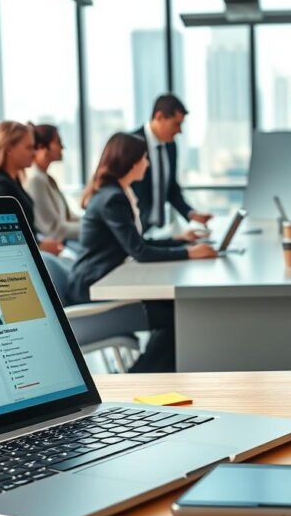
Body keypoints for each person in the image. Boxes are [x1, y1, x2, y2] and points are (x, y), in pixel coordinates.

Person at [70, 133, 217, 372]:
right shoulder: (112, 198)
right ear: (131, 162)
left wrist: (180, 241)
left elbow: (137, 242)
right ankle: (138, 378)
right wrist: (189, 254)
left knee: (175, 309)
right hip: (92, 289)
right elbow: (140, 251)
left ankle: (147, 374)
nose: (147, 164)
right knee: (177, 316)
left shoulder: (116, 192)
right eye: (144, 158)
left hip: (102, 280)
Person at [0, 121, 64, 255]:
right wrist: (40, 246)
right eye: (29, 148)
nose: (34, 153)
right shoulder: (0, 188)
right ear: (9, 149)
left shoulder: (13, 181)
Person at [131, 94, 213, 231]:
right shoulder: (132, 144)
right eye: (176, 124)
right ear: (159, 117)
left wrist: (190, 213)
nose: (179, 131)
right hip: (135, 229)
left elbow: (171, 187)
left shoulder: (171, 146)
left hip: (157, 229)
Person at [24, 124, 80, 242]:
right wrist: (92, 228)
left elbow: (69, 217)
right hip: (59, 245)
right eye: (58, 142)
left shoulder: (47, 179)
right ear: (42, 147)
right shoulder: (36, 180)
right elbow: (52, 230)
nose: (62, 147)